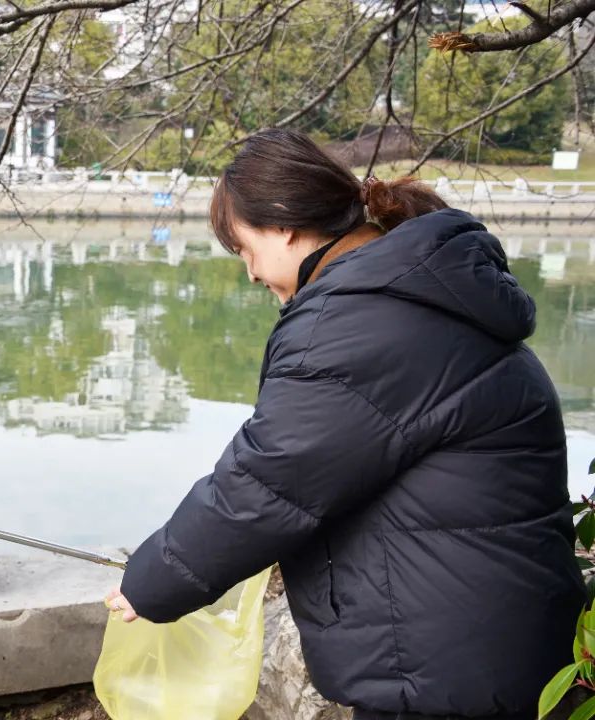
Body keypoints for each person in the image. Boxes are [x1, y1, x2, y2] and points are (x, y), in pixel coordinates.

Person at [105, 128, 584, 720]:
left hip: (443, 667)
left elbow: (266, 483)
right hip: (489, 640)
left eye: (244, 248)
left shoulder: (358, 321)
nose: (250, 273)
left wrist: (152, 581)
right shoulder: (415, 292)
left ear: (282, 225)